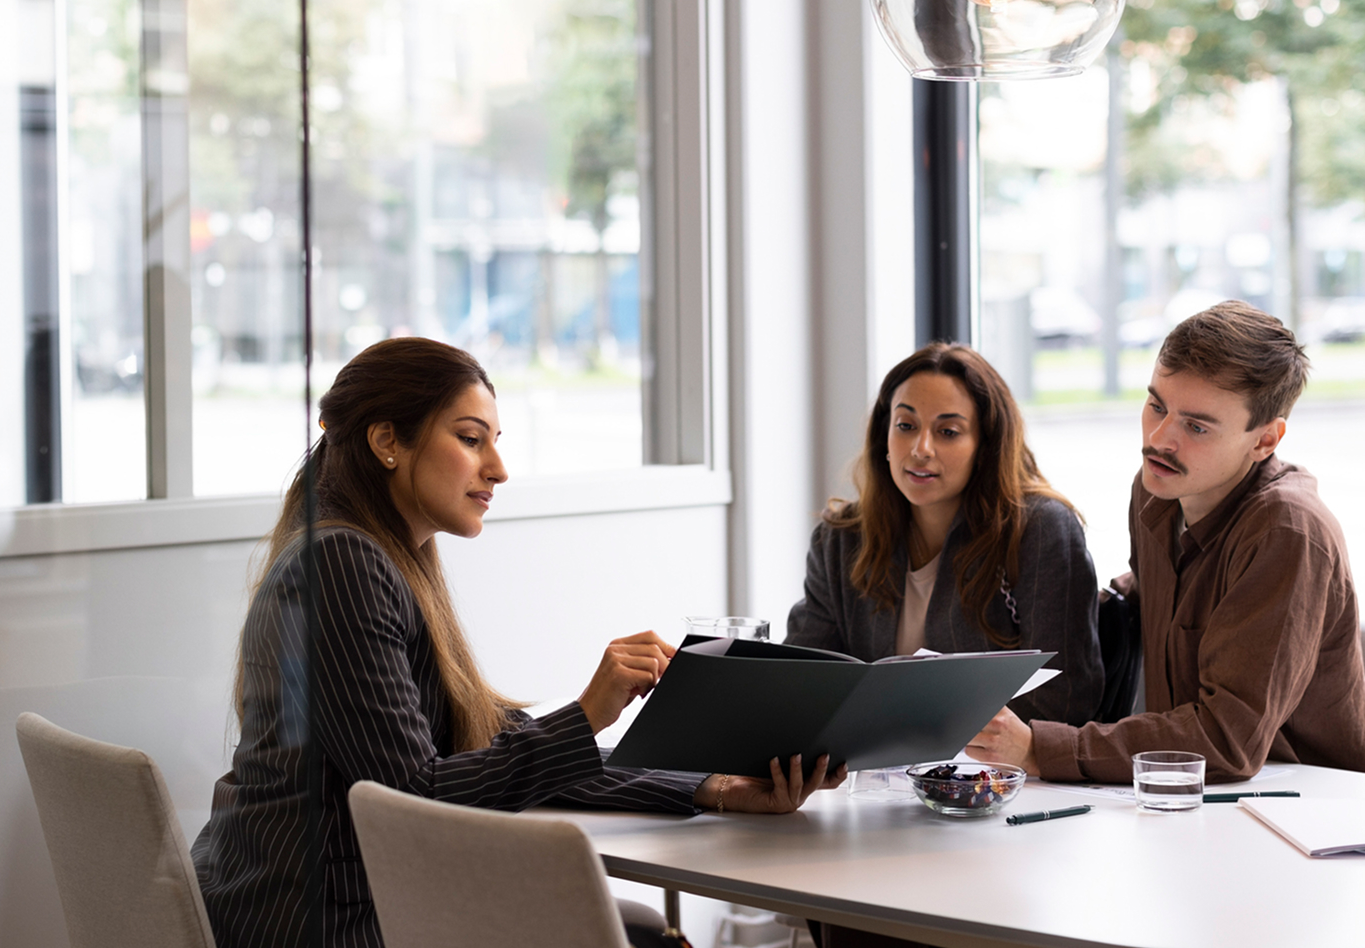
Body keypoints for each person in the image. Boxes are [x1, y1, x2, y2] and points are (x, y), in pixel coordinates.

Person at [190, 337, 844, 948]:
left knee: (635, 927)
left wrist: (710, 787)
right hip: (324, 921)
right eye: (471, 439)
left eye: (495, 442)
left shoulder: (381, 558)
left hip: (328, 900)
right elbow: (417, 801)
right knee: (638, 934)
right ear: (387, 440)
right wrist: (587, 714)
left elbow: (478, 750)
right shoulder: (343, 564)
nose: (498, 469)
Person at [967, 302, 1365, 782]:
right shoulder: (1159, 489)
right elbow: (1177, 592)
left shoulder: (1287, 532)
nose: (1159, 439)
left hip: (1305, 804)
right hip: (1187, 797)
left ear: (1265, 441)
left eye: (1195, 426)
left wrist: (1038, 748)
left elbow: (1226, 740)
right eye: (1157, 404)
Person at [786, 342, 1103, 727]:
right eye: (906, 426)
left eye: (948, 431)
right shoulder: (839, 540)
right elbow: (802, 684)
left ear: (985, 446)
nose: (921, 449)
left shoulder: (1039, 529)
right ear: (883, 436)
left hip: (999, 780)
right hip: (871, 779)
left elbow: (1065, 700)